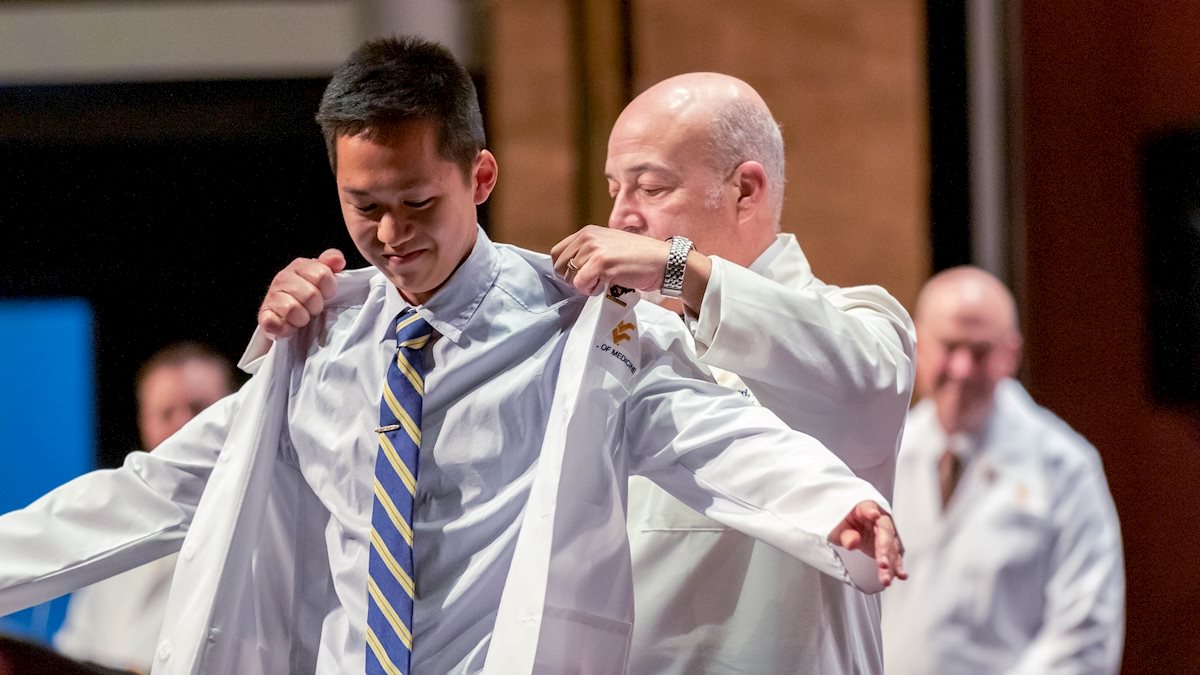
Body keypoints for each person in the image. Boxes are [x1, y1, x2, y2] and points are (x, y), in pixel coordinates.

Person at [0, 36, 905, 674]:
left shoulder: (585, 325)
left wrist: (834, 501)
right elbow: (156, 487)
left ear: (479, 180)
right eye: (365, 206)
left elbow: (728, 426)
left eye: (651, 188)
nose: (390, 234)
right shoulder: (326, 334)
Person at [260, 73, 916, 673]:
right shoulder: (601, 334)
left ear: (745, 189)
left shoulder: (857, 319)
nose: (623, 216)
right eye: (613, 190)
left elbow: (859, 382)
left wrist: (675, 266)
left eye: (652, 187)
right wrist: (324, 319)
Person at [881, 266, 1125, 675]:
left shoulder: (1065, 466)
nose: (961, 369)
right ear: (918, 345)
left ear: (1011, 354)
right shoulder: (881, 448)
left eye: (979, 351)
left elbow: (1086, 634)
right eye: (949, 346)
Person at [52, 342, 235, 673]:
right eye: (166, 413)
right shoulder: (111, 528)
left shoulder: (267, 517)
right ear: (143, 422)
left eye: (198, 408)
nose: (184, 426)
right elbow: (74, 649)